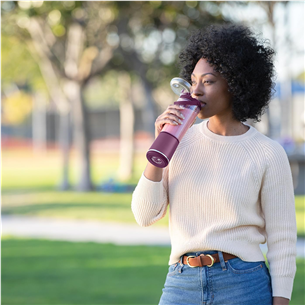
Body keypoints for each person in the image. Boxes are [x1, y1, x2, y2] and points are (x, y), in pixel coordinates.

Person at [131, 23, 297, 305]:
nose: (195, 91)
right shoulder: (178, 142)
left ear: (234, 84)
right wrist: (159, 148)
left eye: (207, 81)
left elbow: (282, 240)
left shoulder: (267, 153)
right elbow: (144, 215)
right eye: (192, 80)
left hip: (243, 284)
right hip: (181, 282)